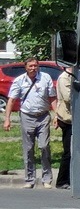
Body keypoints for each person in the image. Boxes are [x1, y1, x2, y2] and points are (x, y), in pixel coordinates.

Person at [2, 58, 57, 189]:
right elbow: (11, 100)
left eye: (35, 66)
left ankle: (47, 178)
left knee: (44, 146)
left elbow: (52, 97)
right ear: (25, 67)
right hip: (27, 116)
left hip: (43, 116)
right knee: (28, 149)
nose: (33, 68)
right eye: (31, 66)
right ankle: (30, 179)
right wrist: (7, 118)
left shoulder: (45, 78)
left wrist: (56, 115)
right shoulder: (19, 80)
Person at [54, 64, 73, 189]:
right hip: (67, 119)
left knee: (73, 151)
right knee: (68, 152)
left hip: (74, 118)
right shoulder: (64, 78)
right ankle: (61, 181)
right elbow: (68, 97)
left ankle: (70, 179)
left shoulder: (72, 77)